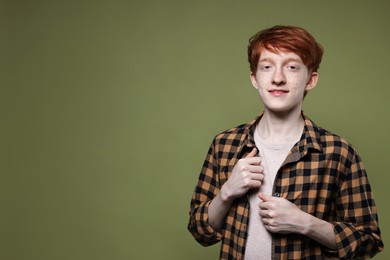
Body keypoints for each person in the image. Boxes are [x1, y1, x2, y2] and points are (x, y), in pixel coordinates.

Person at [187, 25, 384, 259]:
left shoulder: (339, 153)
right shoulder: (225, 145)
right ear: (254, 78)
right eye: (267, 67)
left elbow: (367, 242)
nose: (278, 78)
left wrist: (306, 223)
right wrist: (227, 192)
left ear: (310, 80)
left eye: (291, 67)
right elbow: (200, 232)